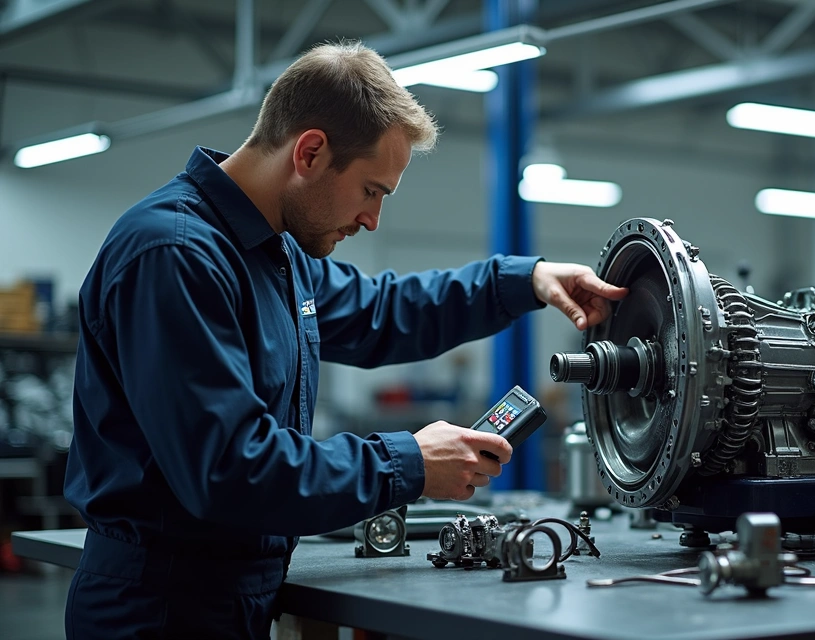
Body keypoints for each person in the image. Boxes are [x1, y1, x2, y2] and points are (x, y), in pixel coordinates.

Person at [62, 41, 627, 639]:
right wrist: (409, 462)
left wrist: (524, 281)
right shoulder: (176, 256)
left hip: (228, 594)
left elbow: (383, 310)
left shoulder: (276, 253)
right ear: (310, 152)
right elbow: (228, 468)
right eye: (372, 191)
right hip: (158, 607)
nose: (373, 219)